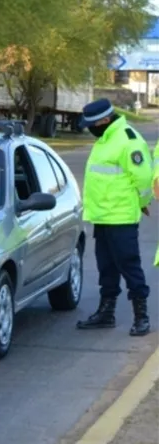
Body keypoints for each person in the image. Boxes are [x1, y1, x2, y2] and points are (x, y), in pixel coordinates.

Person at [76, 98, 152, 337]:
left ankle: (141, 316)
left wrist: (142, 203)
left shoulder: (128, 140)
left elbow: (143, 179)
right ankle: (106, 313)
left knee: (129, 266)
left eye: (92, 123)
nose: (89, 128)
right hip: (102, 216)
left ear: (105, 120)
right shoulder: (105, 138)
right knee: (106, 268)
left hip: (121, 218)